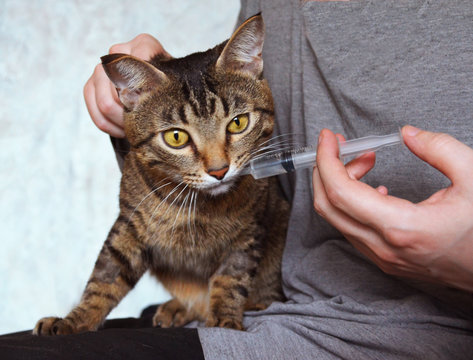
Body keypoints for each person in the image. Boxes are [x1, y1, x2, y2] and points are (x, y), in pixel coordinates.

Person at [2, 1, 472, 359]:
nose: (218, 163)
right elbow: (202, 98)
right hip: (282, 310)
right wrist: (152, 82)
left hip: (369, 328)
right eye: (182, 139)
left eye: (235, 129)